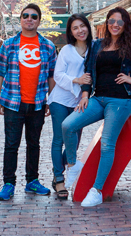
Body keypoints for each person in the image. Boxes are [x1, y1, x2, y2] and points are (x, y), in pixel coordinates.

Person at [61, 7, 131, 207]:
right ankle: (73, 164)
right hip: (98, 99)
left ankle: (96, 190)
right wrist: (86, 94)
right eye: (111, 21)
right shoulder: (97, 45)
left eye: (120, 22)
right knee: (68, 125)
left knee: (107, 144)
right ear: (107, 23)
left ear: (125, 25)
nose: (115, 25)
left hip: (121, 100)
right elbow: (88, 72)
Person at [0, 4, 57, 201]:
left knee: (34, 144)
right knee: (11, 145)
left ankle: (32, 181)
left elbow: (52, 76)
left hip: (37, 103)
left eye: (34, 16)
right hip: (12, 102)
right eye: (26, 16)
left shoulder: (48, 46)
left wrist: (50, 101)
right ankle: (8, 184)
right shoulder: (9, 44)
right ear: (21, 19)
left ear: (39, 21)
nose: (30, 19)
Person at [48, 14, 92, 199]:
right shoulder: (66, 50)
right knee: (59, 139)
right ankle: (59, 179)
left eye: (82, 26)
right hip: (60, 100)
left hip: (79, 102)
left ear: (88, 28)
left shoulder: (95, 48)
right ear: (71, 32)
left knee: (74, 140)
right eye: (75, 28)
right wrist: (76, 80)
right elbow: (58, 75)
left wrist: (86, 91)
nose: (80, 30)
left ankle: (58, 167)